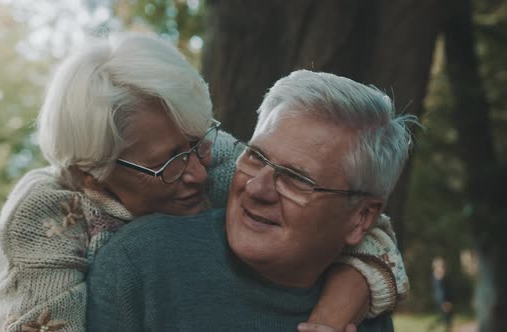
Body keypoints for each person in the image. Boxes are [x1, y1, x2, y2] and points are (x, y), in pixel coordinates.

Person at [0, 33, 406, 332]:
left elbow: (363, 225)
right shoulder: (42, 219)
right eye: (168, 161)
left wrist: (335, 310)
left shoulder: (215, 157)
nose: (200, 173)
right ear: (95, 173)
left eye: (199, 141)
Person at [87, 69, 418, 331]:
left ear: (361, 218)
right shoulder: (140, 264)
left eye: (297, 179)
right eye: (256, 157)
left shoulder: (365, 314)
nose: (257, 189)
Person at [428, 257, 453, 332]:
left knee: (446, 319)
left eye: (443, 267)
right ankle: (432, 327)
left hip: (445, 300)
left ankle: (435, 327)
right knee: (444, 319)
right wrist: (443, 302)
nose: (443, 269)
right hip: (442, 301)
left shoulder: (440, 278)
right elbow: (439, 292)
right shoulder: (438, 279)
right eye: (441, 267)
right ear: (435, 268)